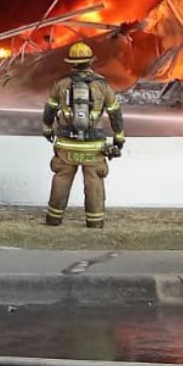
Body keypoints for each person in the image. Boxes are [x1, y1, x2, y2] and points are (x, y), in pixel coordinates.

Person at [40, 40, 125, 229]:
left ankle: (54, 219)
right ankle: (94, 222)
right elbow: (115, 113)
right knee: (94, 181)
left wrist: (47, 128)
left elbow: (49, 109)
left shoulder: (61, 84)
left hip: (66, 144)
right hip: (94, 146)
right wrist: (119, 136)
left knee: (61, 178)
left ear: (71, 63)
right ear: (91, 62)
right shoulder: (102, 86)